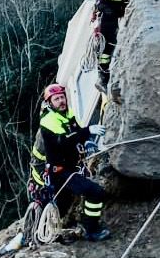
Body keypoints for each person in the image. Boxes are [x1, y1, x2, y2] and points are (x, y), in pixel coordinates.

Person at [29, 82, 109, 241]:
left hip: (68, 168)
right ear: (50, 103)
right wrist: (88, 131)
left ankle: (77, 227)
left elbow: (77, 133)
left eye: (62, 97)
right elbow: (64, 142)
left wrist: (86, 141)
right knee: (95, 192)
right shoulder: (48, 120)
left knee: (63, 204)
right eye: (56, 99)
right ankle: (91, 230)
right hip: (59, 171)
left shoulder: (68, 114)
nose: (61, 101)